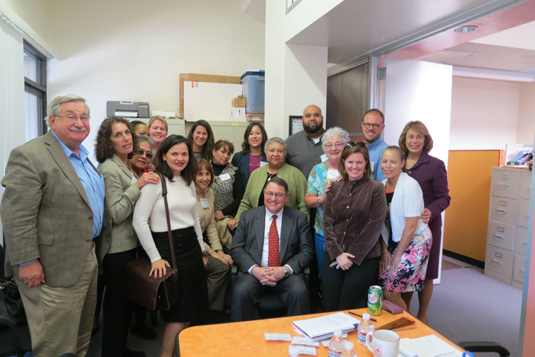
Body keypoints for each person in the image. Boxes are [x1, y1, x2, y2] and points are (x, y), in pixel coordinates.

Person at [1, 94, 105, 356]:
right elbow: (16, 215)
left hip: (85, 258)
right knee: (55, 344)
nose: (79, 122)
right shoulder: (30, 154)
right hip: (51, 266)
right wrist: (26, 261)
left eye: (84, 117)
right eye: (70, 116)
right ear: (52, 120)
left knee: (80, 336)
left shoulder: (81, 155)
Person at [132, 135, 208, 357]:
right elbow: (139, 221)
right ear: (163, 155)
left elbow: (194, 218)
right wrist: (155, 257)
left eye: (184, 153)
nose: (180, 158)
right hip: (169, 249)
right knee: (178, 314)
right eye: (174, 153)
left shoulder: (189, 181)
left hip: (192, 250)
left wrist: (202, 249)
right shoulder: (155, 182)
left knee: (191, 311)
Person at [95, 117, 160, 357]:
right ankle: (113, 352)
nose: (126, 138)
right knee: (116, 308)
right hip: (116, 251)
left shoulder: (123, 164)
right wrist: (139, 185)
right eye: (118, 135)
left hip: (128, 246)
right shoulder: (109, 168)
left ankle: (119, 349)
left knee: (123, 306)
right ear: (108, 141)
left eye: (127, 133)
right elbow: (114, 213)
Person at [230, 177, 314, 322]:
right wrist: (254, 269)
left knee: (299, 291)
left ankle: (299, 340)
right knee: (242, 291)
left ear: (286, 196)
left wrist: (285, 269)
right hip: (255, 273)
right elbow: (236, 249)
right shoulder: (247, 217)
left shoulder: (298, 218)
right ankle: (242, 339)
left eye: (279, 195)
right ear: (264, 193)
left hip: (285, 274)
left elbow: (307, 251)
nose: (273, 198)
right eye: (270, 193)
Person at [322, 144, 387, 311]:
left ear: (366, 163)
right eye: (350, 162)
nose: (354, 166)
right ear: (344, 162)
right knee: (329, 304)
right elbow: (327, 222)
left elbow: (374, 226)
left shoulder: (376, 188)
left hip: (363, 258)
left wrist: (350, 257)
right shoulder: (334, 187)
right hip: (334, 254)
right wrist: (337, 254)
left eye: (359, 162)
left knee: (349, 305)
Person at [398, 121, 450, 324]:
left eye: (419, 137)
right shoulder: (399, 161)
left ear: (426, 140)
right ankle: (407, 311)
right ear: (404, 138)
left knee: (426, 274)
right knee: (409, 272)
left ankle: (423, 315)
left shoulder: (435, 164)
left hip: (427, 228)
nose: (414, 141)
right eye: (411, 136)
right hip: (403, 228)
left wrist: (432, 210)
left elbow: (444, 197)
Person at [378, 146, 432, 312]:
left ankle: (410, 326)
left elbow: (411, 226)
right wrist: (385, 250)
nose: (388, 165)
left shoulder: (410, 185)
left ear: (402, 163)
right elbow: (381, 223)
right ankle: (400, 323)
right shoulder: (380, 186)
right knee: (382, 284)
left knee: (390, 291)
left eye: (393, 162)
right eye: (385, 161)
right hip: (393, 241)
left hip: (415, 241)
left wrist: (398, 255)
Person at [229, 137, 309, 229]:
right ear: (266, 153)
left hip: (287, 228)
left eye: (280, 151)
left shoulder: (296, 175)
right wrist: (237, 218)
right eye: (271, 150)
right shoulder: (256, 174)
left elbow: (304, 206)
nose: (275, 154)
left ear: (285, 154)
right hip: (256, 226)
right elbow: (246, 202)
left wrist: (301, 228)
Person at [305, 127, 350, 281]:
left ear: (346, 146)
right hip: (324, 234)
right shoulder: (317, 170)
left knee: (348, 275)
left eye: (338, 144)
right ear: (324, 148)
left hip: (350, 234)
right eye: (329, 145)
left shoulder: (354, 168)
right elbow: (308, 201)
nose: (333, 148)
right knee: (325, 275)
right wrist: (322, 198)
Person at [194, 158, 232, 312]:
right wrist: (211, 252)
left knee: (226, 264)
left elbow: (210, 225)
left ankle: (214, 311)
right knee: (218, 267)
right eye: (199, 174)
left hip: (202, 243)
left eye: (207, 174)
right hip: (189, 244)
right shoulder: (187, 195)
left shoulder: (209, 192)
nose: (205, 178)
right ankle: (201, 311)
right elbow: (190, 230)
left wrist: (220, 251)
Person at [211, 140, 245, 249]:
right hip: (206, 217)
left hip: (227, 217)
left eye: (229, 154)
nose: (226, 156)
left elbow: (240, 198)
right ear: (213, 152)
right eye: (223, 152)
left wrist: (222, 212)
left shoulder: (233, 171)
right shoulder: (204, 169)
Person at [285, 104, 325, 178]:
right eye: (308, 116)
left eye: (316, 115)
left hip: (331, 189)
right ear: (302, 119)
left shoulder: (334, 140)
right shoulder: (290, 142)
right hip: (301, 189)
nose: (312, 118)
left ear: (322, 118)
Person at [231, 122, 268, 186]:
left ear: (263, 136)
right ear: (247, 138)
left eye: (257, 133)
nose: (254, 136)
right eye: (251, 134)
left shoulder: (269, 157)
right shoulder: (238, 157)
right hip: (244, 195)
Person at [361, 109, 389, 181]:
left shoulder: (386, 152)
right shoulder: (358, 149)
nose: (371, 128)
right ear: (362, 125)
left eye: (376, 125)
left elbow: (382, 185)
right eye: (367, 124)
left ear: (382, 127)